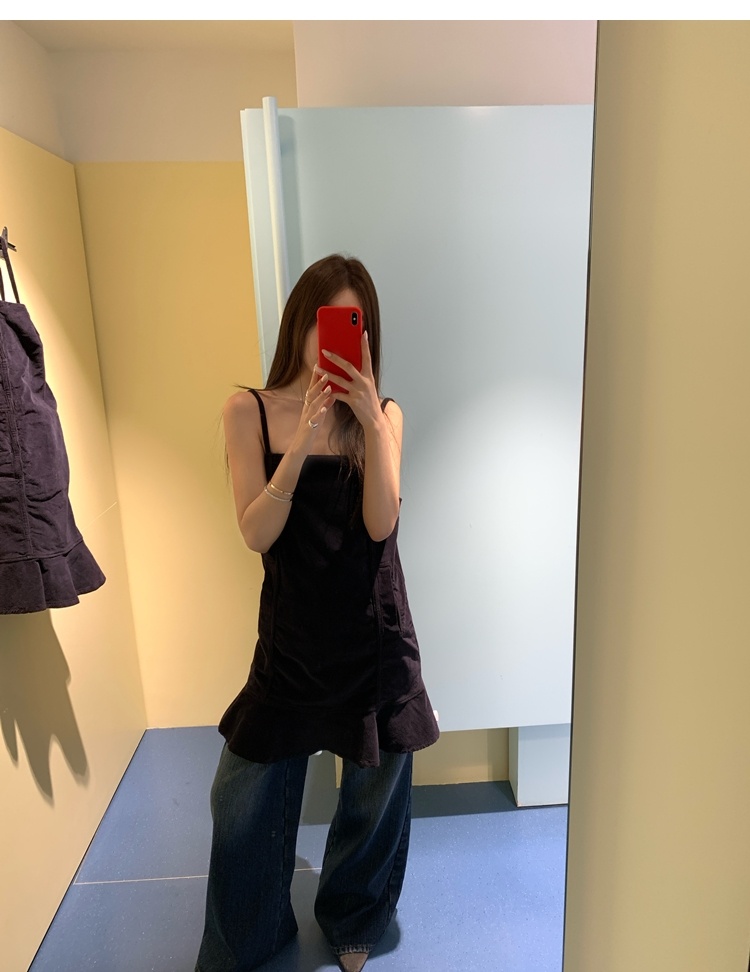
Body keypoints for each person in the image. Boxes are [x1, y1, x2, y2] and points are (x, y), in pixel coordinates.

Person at [195, 254, 439, 972]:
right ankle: (248, 934)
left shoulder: (384, 416)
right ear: (301, 321)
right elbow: (256, 533)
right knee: (242, 795)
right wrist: (302, 437)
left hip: (374, 634)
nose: (335, 339)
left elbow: (380, 526)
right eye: (326, 321)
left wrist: (371, 424)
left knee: (374, 789)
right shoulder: (247, 410)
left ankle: (353, 916)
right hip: (293, 639)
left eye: (353, 324)